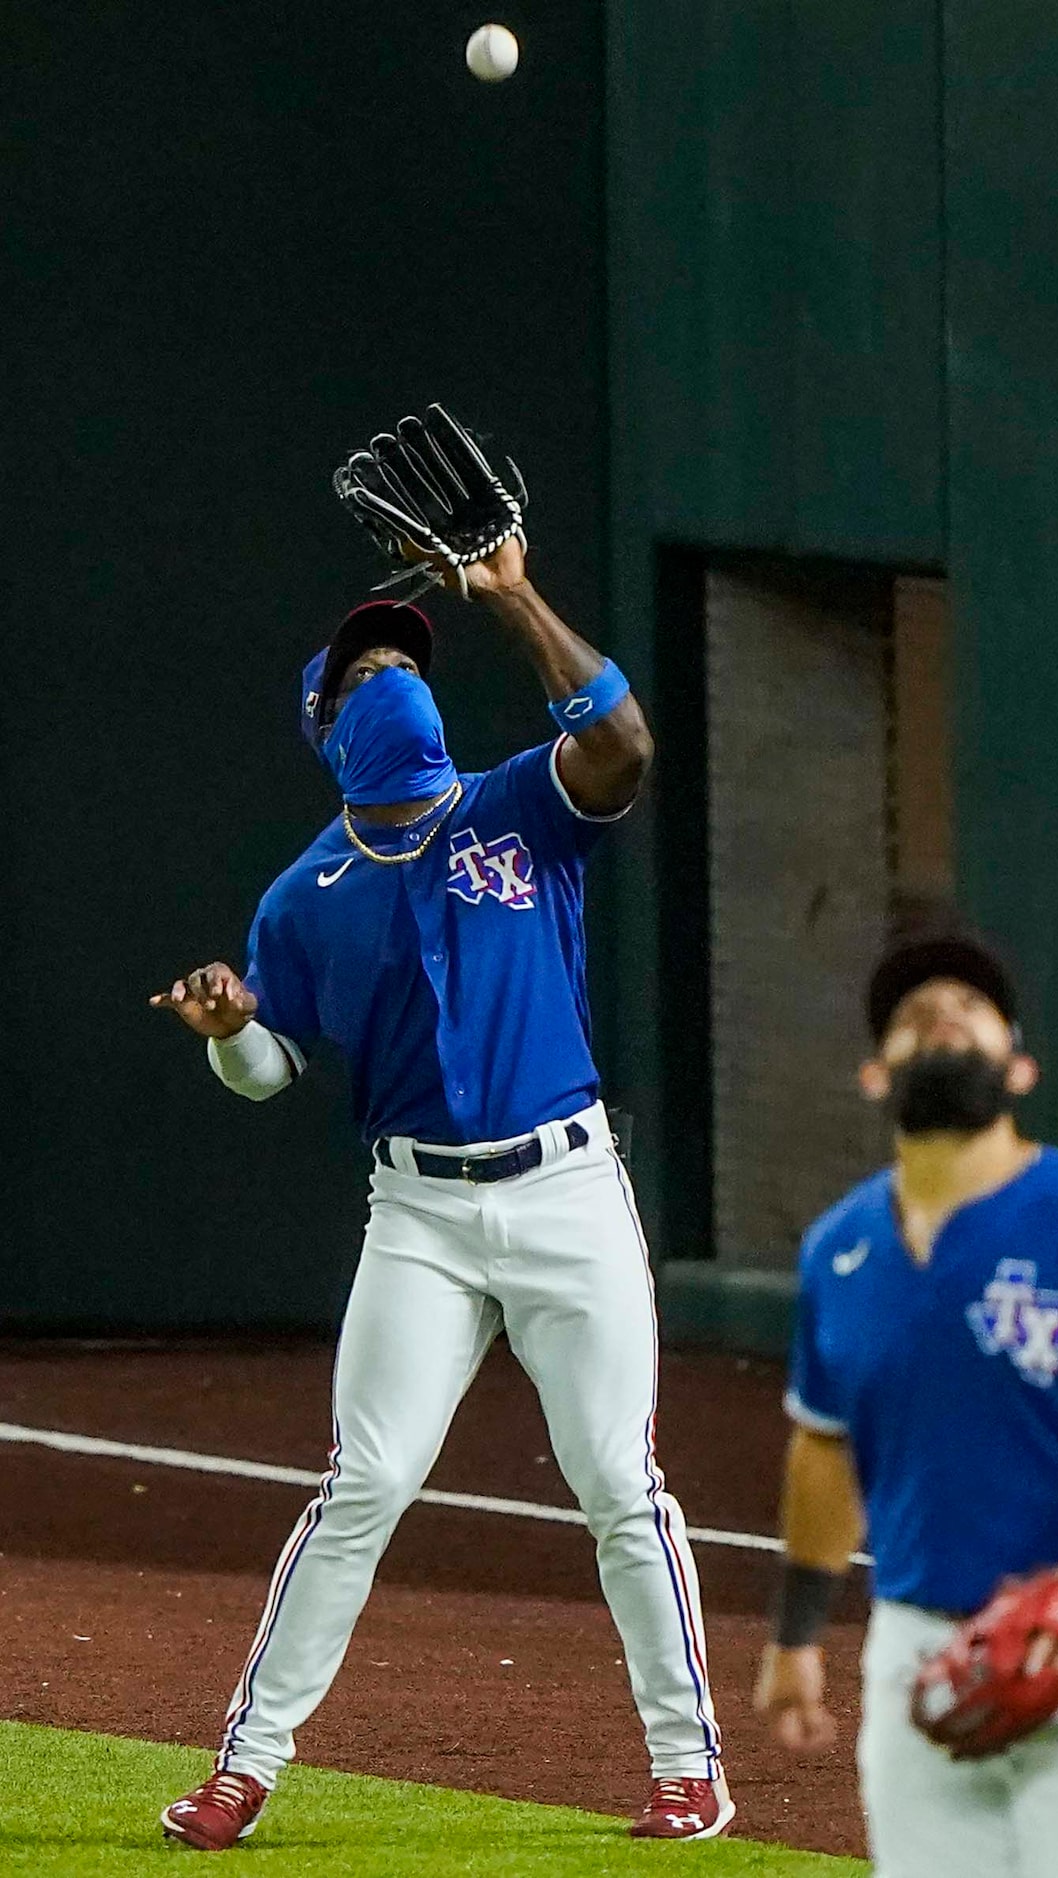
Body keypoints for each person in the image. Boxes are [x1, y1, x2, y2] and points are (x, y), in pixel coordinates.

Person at [150, 534, 731, 1850]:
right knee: (362, 1480)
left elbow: (625, 744)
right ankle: (244, 1765)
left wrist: (513, 594)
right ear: (328, 726)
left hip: (567, 1185)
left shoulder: (517, 801)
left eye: (403, 659)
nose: (393, 679)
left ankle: (687, 1766)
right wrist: (229, 1027)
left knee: (614, 1480)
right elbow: (268, 1068)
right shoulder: (304, 896)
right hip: (417, 1214)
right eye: (363, 673)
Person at [754, 903, 1058, 1878]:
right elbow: (822, 1444)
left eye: (970, 1006)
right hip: (913, 1652)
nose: (942, 1012)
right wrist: (795, 1634)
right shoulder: (838, 1251)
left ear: (1017, 1070)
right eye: (914, 1012)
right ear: (873, 1075)